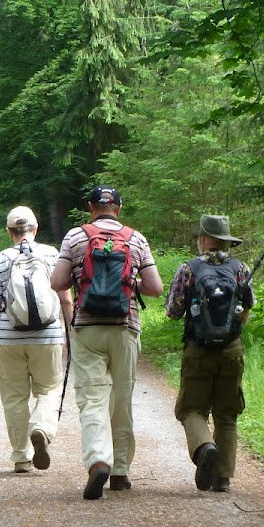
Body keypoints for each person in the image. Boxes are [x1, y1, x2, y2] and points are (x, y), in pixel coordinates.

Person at [51, 186, 164, 499]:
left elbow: (57, 282)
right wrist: (130, 281)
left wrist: (81, 278)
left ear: (90, 207)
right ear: (119, 208)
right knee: (121, 398)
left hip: (87, 328)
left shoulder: (75, 237)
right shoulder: (136, 239)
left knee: (92, 397)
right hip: (125, 327)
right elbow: (155, 287)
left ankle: (99, 459)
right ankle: (120, 471)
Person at [164, 215, 255, 493]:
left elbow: (173, 311)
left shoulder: (188, 269)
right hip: (231, 350)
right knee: (227, 413)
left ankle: (205, 448)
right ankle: (222, 477)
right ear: (226, 241)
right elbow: (246, 311)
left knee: (191, 409)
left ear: (203, 239)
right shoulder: (240, 268)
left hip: (198, 350)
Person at [0, 206, 74, 473]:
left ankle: (21, 456)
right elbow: (66, 299)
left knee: (14, 397)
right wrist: (71, 334)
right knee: (49, 389)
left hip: (10, 338)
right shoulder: (52, 254)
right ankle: (41, 427)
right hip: (48, 336)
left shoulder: (1, 259)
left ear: (9, 232)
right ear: (35, 228)